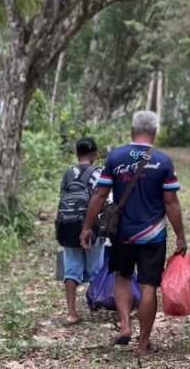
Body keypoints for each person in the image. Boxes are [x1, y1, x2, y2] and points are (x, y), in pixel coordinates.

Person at [81, 110, 187, 356]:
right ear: (155, 132)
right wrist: (180, 236)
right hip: (154, 235)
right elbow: (171, 203)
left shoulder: (115, 157)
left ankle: (125, 326)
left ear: (132, 130)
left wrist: (87, 227)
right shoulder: (163, 161)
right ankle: (143, 345)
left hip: (123, 234)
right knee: (148, 286)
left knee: (122, 277)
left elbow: (98, 195)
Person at [58, 137, 106, 325]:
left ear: (77, 154)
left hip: (68, 226)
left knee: (71, 268)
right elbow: (104, 199)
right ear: (94, 154)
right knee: (95, 268)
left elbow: (62, 197)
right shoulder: (99, 172)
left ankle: (71, 312)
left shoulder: (68, 173)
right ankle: (94, 306)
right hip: (91, 226)